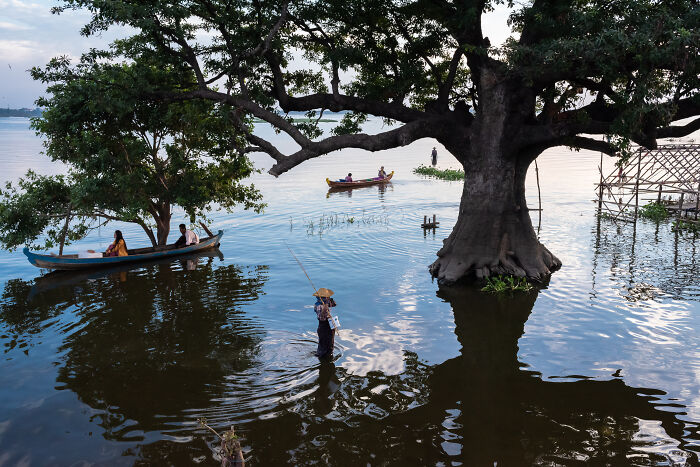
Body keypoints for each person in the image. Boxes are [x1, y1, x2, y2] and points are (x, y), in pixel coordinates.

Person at [313, 288, 337, 359]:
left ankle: (328, 355)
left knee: (330, 341)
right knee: (324, 343)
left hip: (328, 325)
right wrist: (325, 307)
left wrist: (329, 301)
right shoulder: (319, 306)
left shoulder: (325, 303)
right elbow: (322, 318)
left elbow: (334, 304)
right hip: (324, 326)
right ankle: (323, 356)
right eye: (326, 297)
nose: (327, 298)